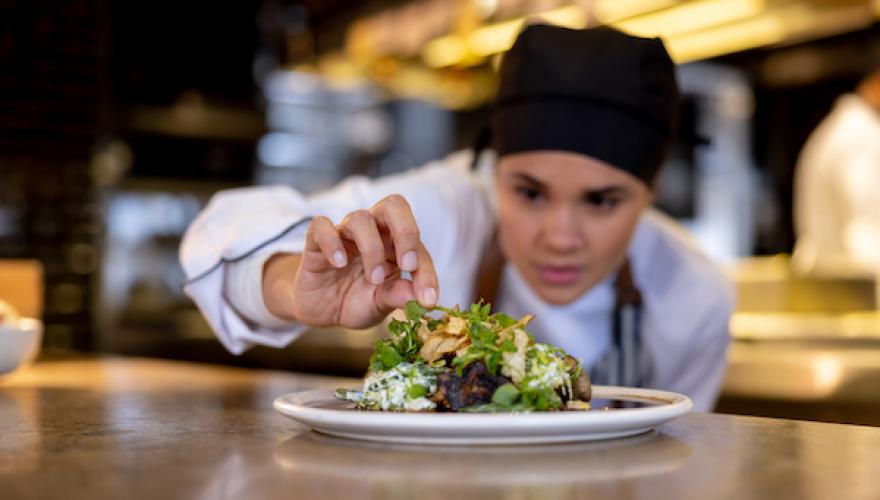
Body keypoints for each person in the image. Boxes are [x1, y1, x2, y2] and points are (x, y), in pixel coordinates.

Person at [180, 24, 734, 412]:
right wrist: (293, 286)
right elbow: (225, 227)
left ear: (650, 191)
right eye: (530, 193)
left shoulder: (697, 297)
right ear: (493, 171)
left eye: (601, 202)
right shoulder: (445, 211)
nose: (560, 237)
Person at [793, 69, 880, 280]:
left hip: (830, 277)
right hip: (858, 285)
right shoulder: (864, 137)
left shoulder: (834, 131)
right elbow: (865, 229)